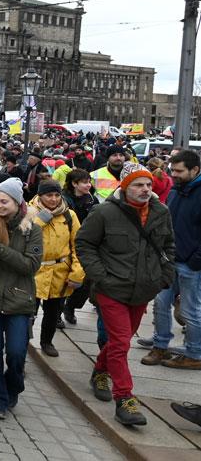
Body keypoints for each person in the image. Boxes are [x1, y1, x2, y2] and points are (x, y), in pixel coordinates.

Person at [76, 163, 175, 426]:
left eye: (148, 185)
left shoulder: (160, 211)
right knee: (121, 343)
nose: (145, 189)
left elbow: (168, 246)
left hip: (144, 289)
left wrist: (165, 275)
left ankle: (99, 370)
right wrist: (101, 276)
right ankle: (125, 399)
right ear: (125, 186)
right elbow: (84, 243)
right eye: (138, 185)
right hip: (112, 288)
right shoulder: (104, 212)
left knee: (121, 341)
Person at [0, 177, 43, 419]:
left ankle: (12, 387)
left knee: (16, 355)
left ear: (16, 202)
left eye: (4, 201)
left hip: (19, 301)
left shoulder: (31, 229)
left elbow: (30, 266)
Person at [141, 149, 201, 370]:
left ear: (194, 170)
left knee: (190, 311)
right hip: (169, 259)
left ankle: (195, 353)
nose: (173, 174)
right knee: (160, 302)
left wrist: (196, 260)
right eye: (172, 170)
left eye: (179, 171)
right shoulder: (176, 190)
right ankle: (160, 345)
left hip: (191, 264)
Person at [30, 179, 83, 356]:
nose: (53, 199)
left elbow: (78, 245)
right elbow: (23, 236)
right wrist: (40, 221)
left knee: (53, 313)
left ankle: (47, 341)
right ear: (40, 195)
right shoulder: (29, 212)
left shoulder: (70, 216)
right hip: (34, 272)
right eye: (48, 195)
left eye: (56, 195)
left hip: (60, 272)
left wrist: (77, 271)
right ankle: (21, 346)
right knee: (28, 314)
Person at [62, 168, 99, 324]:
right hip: (65, 243)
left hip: (86, 244)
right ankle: (56, 313)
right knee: (62, 280)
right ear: (74, 184)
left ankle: (71, 306)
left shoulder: (92, 200)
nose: (88, 185)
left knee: (86, 281)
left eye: (89, 181)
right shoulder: (64, 199)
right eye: (84, 182)